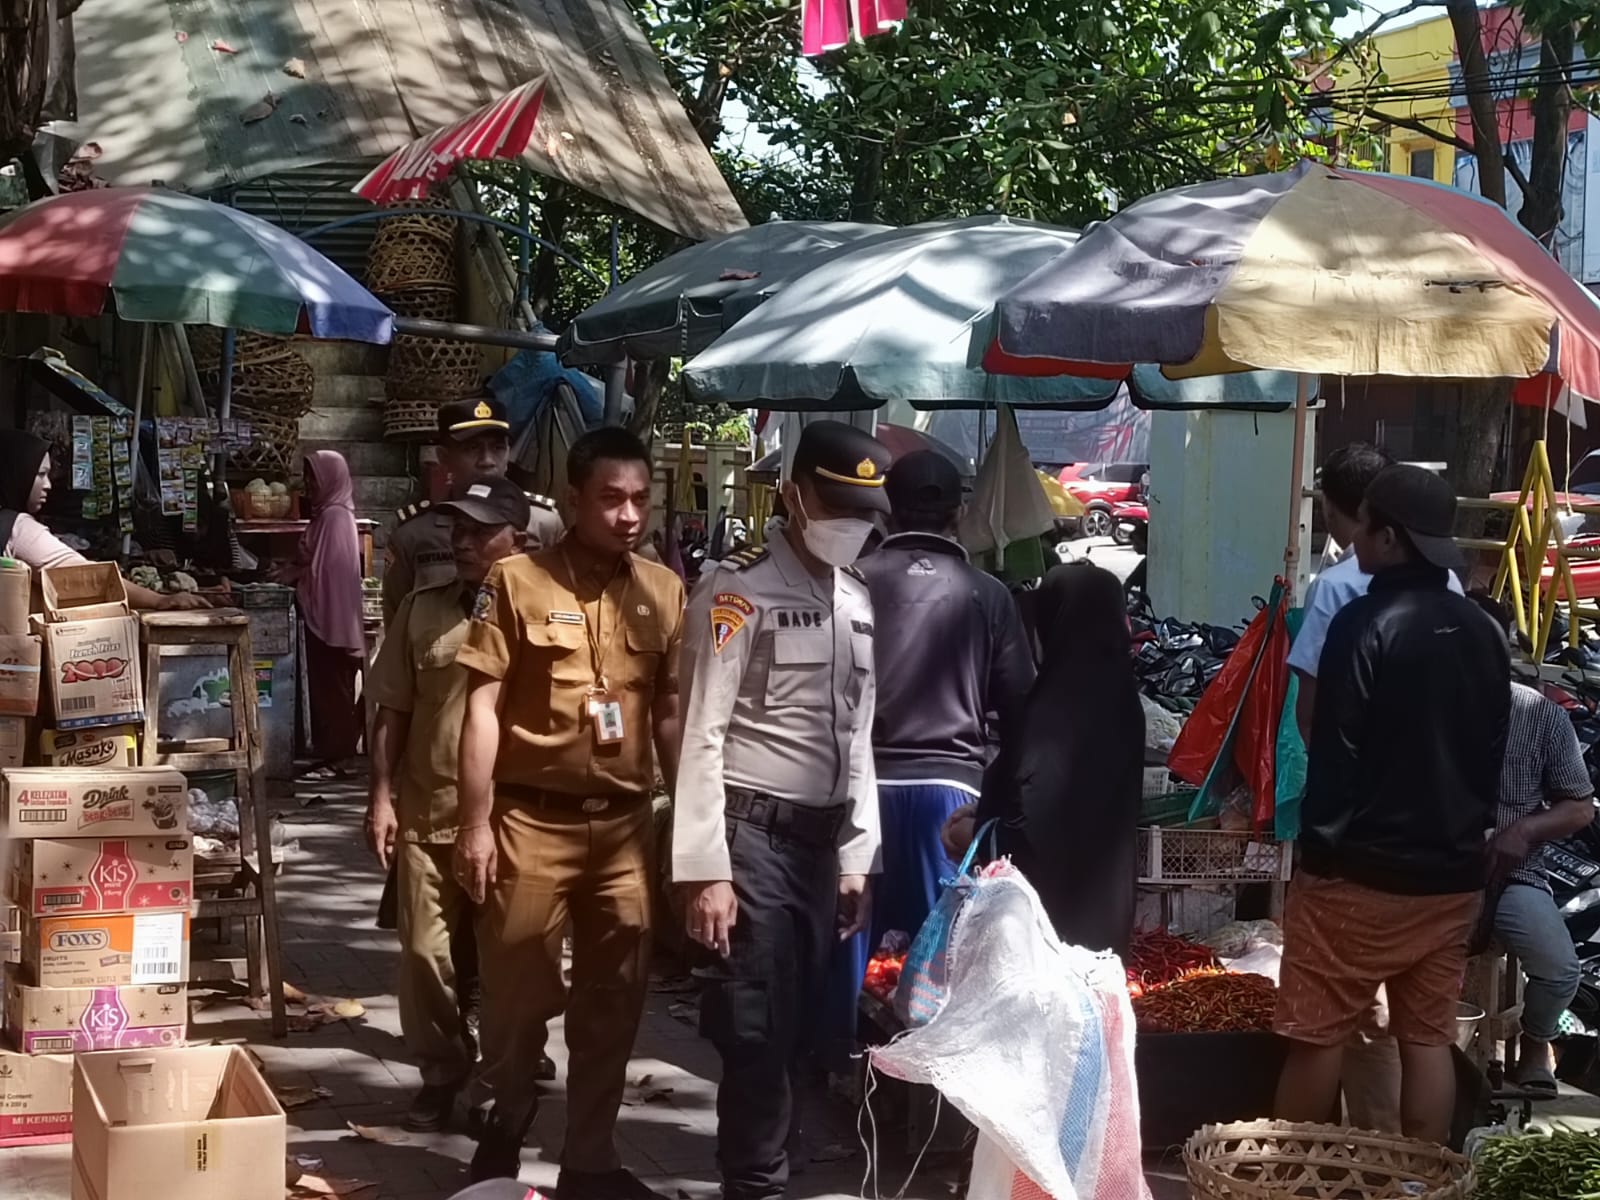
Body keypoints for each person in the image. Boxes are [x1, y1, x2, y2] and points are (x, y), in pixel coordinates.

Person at [453, 427, 685, 1197]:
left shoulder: (664, 590)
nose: (629, 515)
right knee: (517, 999)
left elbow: (669, 712)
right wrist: (475, 824)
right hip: (529, 822)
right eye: (611, 498)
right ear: (575, 499)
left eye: (640, 499)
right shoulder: (516, 581)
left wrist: (690, 825)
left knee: (615, 1000)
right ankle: (507, 1113)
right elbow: (481, 707)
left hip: (624, 827)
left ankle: (590, 1160)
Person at [674, 420, 888, 1200]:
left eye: (864, 512)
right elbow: (701, 732)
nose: (850, 525)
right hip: (752, 840)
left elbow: (859, 737)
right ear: (793, 496)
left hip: (819, 851)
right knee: (756, 1033)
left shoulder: (857, 600)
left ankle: (773, 1174)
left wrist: (858, 855)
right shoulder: (738, 592)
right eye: (837, 507)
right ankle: (754, 1186)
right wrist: (705, 871)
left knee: (802, 1034)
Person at [1274, 464, 1510, 1145]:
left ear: (1389, 537)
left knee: (1319, 1035)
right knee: (1427, 1038)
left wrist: (1318, 852)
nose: (1354, 543)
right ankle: (1419, 1182)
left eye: (1365, 528)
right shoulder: (1483, 631)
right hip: (1451, 875)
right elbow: (1489, 754)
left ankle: (1290, 1177)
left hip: (1358, 873)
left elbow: (1334, 749)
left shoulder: (1362, 622)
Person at [828, 449, 1033, 1049]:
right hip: (951, 797)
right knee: (937, 955)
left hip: (860, 786)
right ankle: (927, 1081)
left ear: (886, 508)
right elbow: (1020, 708)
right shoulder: (988, 594)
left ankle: (839, 1062)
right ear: (958, 511)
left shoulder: (850, 582)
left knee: (849, 936)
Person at [366, 476, 532, 1132]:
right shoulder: (423, 609)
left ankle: (500, 1079)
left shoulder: (546, 612)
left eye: (479, 531)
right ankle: (442, 1070)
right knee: (423, 956)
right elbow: (392, 709)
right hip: (430, 813)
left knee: (511, 965)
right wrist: (380, 797)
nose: (462, 542)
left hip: (516, 820)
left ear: (519, 539)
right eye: (458, 529)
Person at [944, 562, 1143, 958]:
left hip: (1044, 937)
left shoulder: (1052, 710)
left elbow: (1036, 833)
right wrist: (987, 811)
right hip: (1107, 927)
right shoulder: (1125, 705)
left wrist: (971, 835)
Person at [1467, 592, 1596, 1095]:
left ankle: (1536, 1040)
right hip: (1426, 871)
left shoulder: (1540, 715)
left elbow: (1580, 806)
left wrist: (1522, 831)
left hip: (1509, 875)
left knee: (1560, 969)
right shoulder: (1417, 707)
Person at [1289, 442, 1464, 741]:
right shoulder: (1457, 593)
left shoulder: (1338, 594)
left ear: (1386, 537)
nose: (1356, 535)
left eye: (1364, 521)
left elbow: (1312, 714)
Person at [384, 395, 563, 623]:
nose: (487, 461)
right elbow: (398, 621)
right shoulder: (415, 533)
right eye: (472, 448)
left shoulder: (542, 523)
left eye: (498, 448)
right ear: (444, 457)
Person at [0, 428, 207, 611]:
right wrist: (158, 600)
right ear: (15, 473)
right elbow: (85, 576)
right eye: (40, 474)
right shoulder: (16, 528)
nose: (48, 485)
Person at [277, 450, 366, 778]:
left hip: (330, 615)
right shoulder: (329, 516)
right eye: (308, 477)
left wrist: (295, 576)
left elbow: (326, 572)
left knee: (333, 687)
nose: (309, 485)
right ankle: (333, 753)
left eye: (314, 478)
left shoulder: (334, 518)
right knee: (327, 685)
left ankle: (340, 757)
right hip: (328, 614)